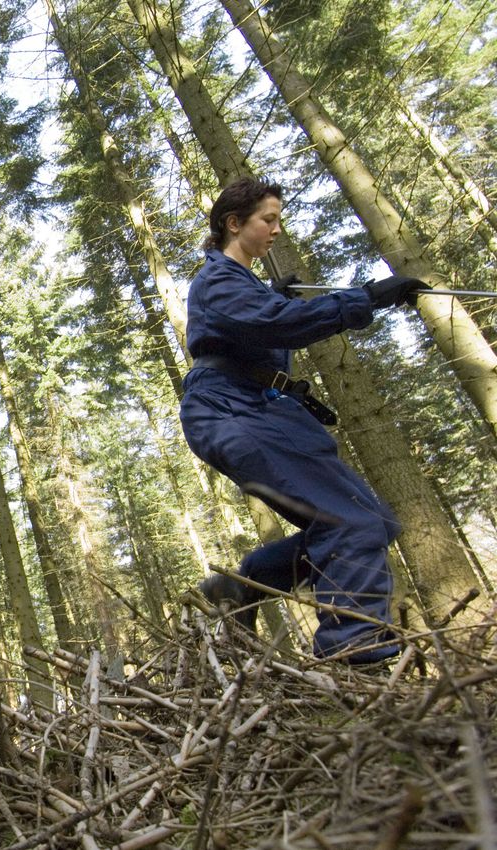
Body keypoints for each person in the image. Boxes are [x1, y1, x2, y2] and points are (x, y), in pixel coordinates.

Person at [180, 176, 426, 666]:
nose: (275, 230)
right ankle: (356, 659)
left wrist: (274, 295)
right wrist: (368, 298)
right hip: (230, 411)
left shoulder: (240, 284)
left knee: (371, 521)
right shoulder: (218, 280)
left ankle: (238, 585)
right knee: (349, 521)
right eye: (266, 220)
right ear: (234, 224)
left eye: (278, 220)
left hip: (262, 409)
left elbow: (263, 323)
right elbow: (278, 324)